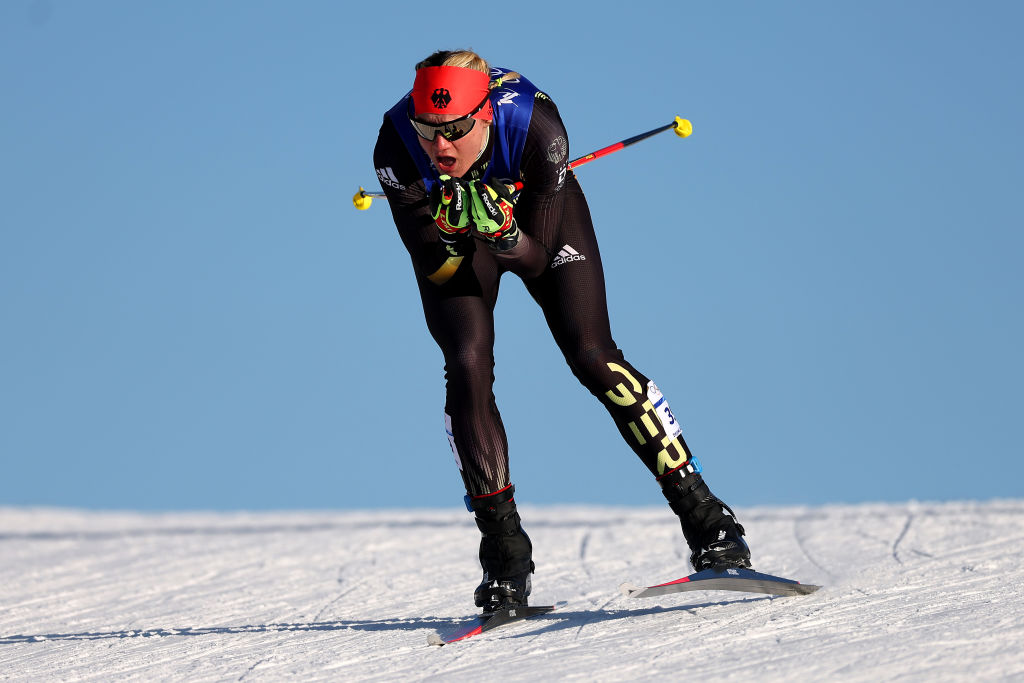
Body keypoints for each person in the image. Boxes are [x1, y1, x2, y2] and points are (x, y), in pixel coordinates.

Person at [373, 49, 750, 613]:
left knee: (594, 356)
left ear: (483, 116)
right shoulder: (396, 141)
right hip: (464, 234)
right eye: (429, 130)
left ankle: (709, 522)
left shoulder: (534, 124)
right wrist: (450, 236)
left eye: (453, 130)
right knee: (467, 365)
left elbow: (537, 259)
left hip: (533, 224)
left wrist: (501, 232)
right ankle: (503, 553)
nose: (439, 146)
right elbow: (436, 268)